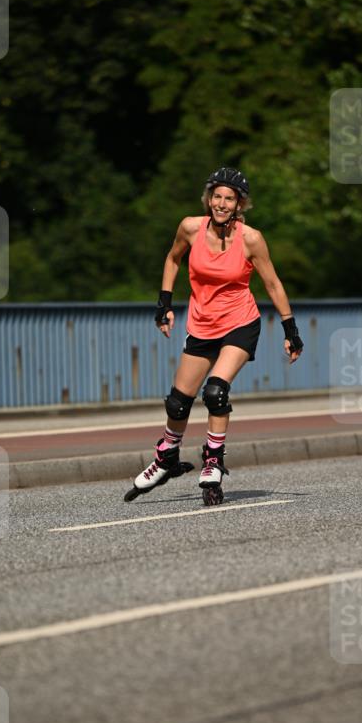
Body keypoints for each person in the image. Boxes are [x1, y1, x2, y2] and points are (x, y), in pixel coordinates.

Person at [124, 166, 304, 504]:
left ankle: (213, 462)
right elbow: (173, 260)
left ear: (240, 205)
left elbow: (272, 283)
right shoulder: (190, 228)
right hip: (202, 323)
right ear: (209, 199)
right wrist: (164, 304)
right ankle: (167, 456)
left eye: (229, 199)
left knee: (215, 392)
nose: (221, 203)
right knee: (178, 402)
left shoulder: (251, 239)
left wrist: (290, 329)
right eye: (217, 197)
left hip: (240, 322)